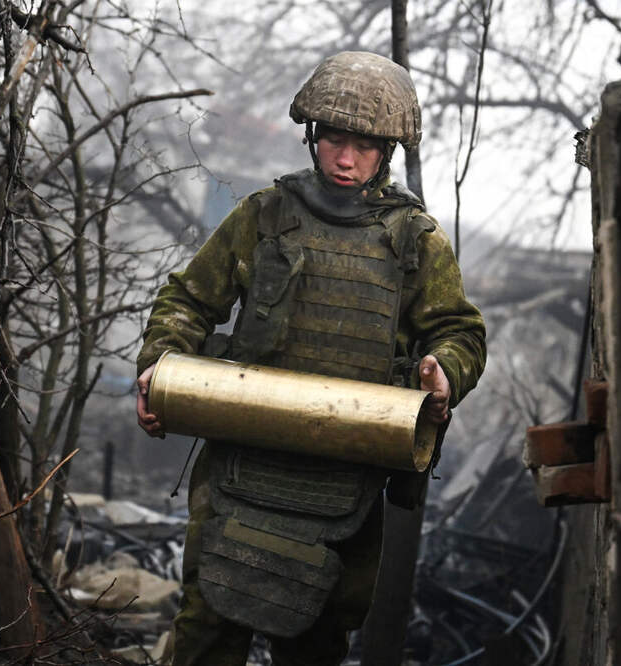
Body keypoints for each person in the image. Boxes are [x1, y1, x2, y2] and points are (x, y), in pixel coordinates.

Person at [135, 51, 486, 665]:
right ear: (313, 136)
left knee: (316, 642)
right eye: (334, 140)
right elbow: (188, 300)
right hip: (243, 465)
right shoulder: (264, 216)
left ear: (387, 151)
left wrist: (443, 372)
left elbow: (460, 332)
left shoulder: (415, 240)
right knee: (207, 629)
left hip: (344, 481)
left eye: (364, 146)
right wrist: (160, 364)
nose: (345, 159)